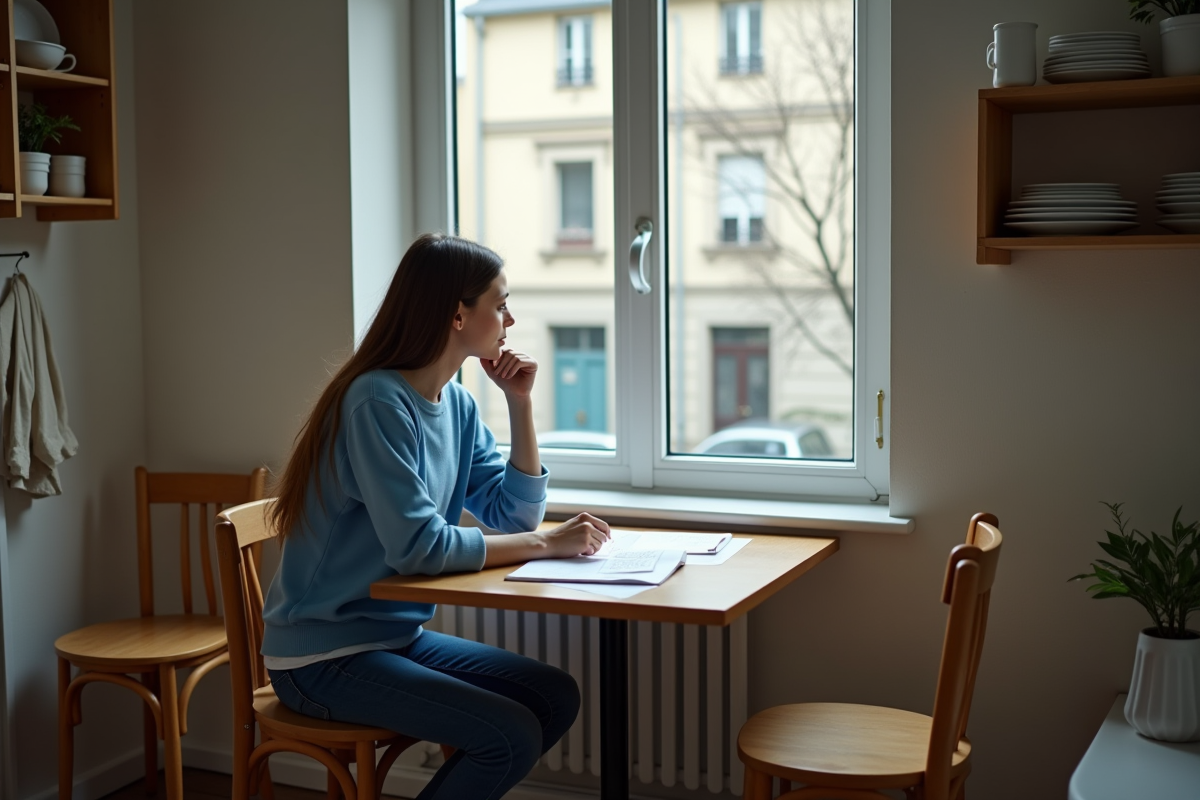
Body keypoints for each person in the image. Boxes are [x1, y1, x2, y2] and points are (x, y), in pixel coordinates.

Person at [261, 233, 611, 800]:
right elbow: (420, 548)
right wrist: (547, 546)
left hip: (392, 637)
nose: (510, 318)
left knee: (554, 696)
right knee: (509, 733)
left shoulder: (458, 404)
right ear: (457, 314)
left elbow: (513, 514)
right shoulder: (377, 402)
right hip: (321, 654)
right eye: (499, 303)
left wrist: (519, 406)